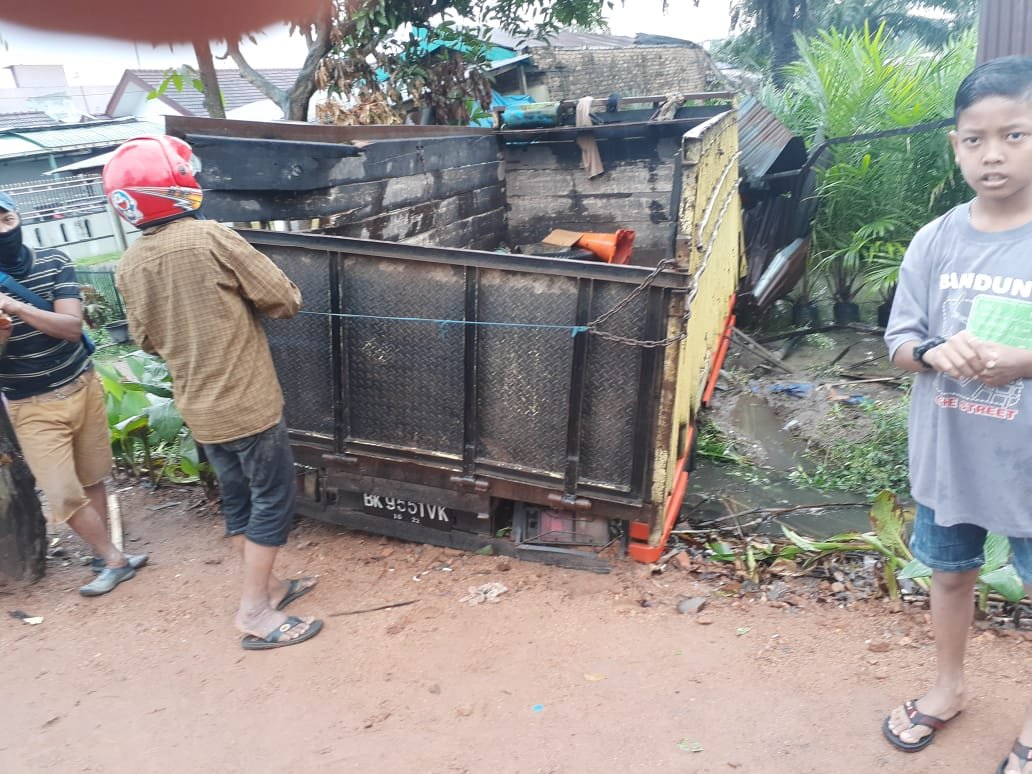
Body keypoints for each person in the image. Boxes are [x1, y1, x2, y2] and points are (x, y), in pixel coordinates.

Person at [102, 135, 323, 651]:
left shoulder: (129, 264)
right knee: (272, 499)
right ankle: (254, 611)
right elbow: (285, 300)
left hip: (199, 407)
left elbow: (147, 341)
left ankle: (269, 585)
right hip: (248, 403)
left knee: (239, 497)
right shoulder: (212, 240)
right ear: (177, 186)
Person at [882, 56, 1032, 774]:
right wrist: (937, 352)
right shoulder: (935, 238)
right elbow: (900, 342)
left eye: (1015, 135)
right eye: (975, 139)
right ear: (956, 145)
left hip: (1028, 461)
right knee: (949, 575)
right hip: (951, 453)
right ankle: (947, 688)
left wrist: (1023, 362)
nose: (993, 154)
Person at [0, 192, 147, 596]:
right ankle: (114, 560)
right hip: (32, 404)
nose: (2, 228)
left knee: (92, 477)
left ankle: (105, 556)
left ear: (17, 217)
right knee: (63, 493)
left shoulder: (54, 261)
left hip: (82, 385)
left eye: (5, 217)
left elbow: (69, 326)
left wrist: (14, 306)